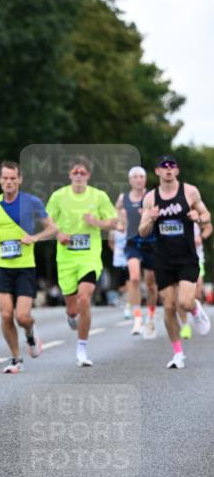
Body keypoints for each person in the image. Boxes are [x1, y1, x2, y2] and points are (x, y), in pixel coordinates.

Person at [0, 160, 57, 374]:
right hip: (0, 266)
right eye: (5, 178)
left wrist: (35, 238)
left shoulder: (32, 202)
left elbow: (53, 229)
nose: (9, 182)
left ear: (20, 179)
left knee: (22, 316)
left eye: (13, 178)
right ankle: (16, 358)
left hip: (25, 266)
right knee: (6, 314)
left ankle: (30, 332)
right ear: (0, 181)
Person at [139, 155, 211, 368]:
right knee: (169, 306)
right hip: (163, 259)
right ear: (158, 171)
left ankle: (195, 310)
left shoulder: (190, 191)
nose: (168, 169)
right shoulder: (151, 198)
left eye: (172, 166)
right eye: (164, 166)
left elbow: (207, 215)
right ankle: (178, 354)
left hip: (187, 257)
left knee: (184, 302)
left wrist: (198, 217)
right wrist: (150, 218)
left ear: (177, 171)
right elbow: (142, 232)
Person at [46, 155, 118, 367]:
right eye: (75, 172)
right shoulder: (59, 196)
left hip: (89, 257)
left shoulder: (99, 196)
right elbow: (46, 219)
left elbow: (114, 222)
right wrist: (58, 234)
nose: (78, 175)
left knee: (84, 298)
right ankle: (71, 314)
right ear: (70, 174)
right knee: (73, 308)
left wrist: (97, 222)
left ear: (88, 175)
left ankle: (82, 348)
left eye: (82, 172)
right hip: (66, 258)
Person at [115, 166, 158, 338]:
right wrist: (120, 222)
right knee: (133, 278)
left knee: (150, 284)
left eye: (142, 176)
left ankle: (151, 315)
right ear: (130, 180)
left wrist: (152, 216)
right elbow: (116, 210)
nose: (139, 180)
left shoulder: (153, 196)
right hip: (132, 242)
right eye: (136, 177)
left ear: (145, 179)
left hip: (151, 243)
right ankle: (137, 319)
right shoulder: (123, 197)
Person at [107, 226, 128, 307]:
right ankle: (120, 298)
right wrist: (116, 250)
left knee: (129, 282)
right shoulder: (113, 230)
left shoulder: (129, 227)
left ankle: (125, 299)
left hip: (128, 260)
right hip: (118, 260)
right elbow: (110, 242)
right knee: (118, 283)